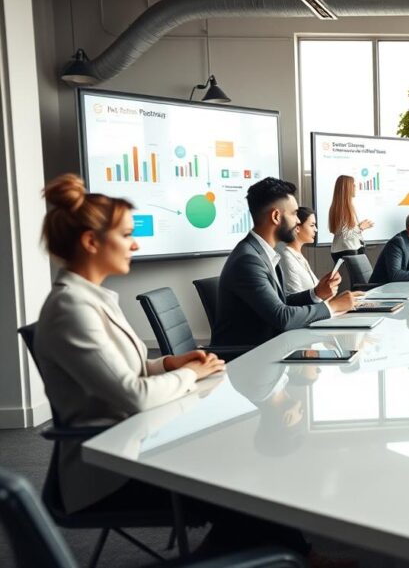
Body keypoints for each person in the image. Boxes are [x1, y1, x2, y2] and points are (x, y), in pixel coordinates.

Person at [33, 174, 227, 515]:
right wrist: (192, 375)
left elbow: (127, 371)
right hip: (112, 469)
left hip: (138, 443)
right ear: (92, 242)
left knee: (234, 454)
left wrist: (169, 364)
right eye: (126, 235)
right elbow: (134, 396)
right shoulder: (71, 309)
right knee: (236, 466)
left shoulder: (95, 299)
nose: (135, 245)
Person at [213, 178, 354, 347]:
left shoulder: (262, 252)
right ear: (276, 216)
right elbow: (282, 317)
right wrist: (332, 306)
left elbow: (281, 303)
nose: (298, 222)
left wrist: (316, 294)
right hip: (248, 358)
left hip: (269, 349)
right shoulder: (248, 260)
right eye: (294, 214)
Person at [328, 174, 373, 263]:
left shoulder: (339, 207)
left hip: (341, 250)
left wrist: (358, 226)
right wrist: (360, 228)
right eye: (353, 185)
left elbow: (342, 232)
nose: (355, 187)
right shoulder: (345, 209)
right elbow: (346, 235)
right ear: (347, 188)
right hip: (348, 251)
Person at [279, 206, 321, 296]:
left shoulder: (298, 255)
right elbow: (295, 297)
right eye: (312, 225)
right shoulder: (287, 258)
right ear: (297, 228)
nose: (316, 230)